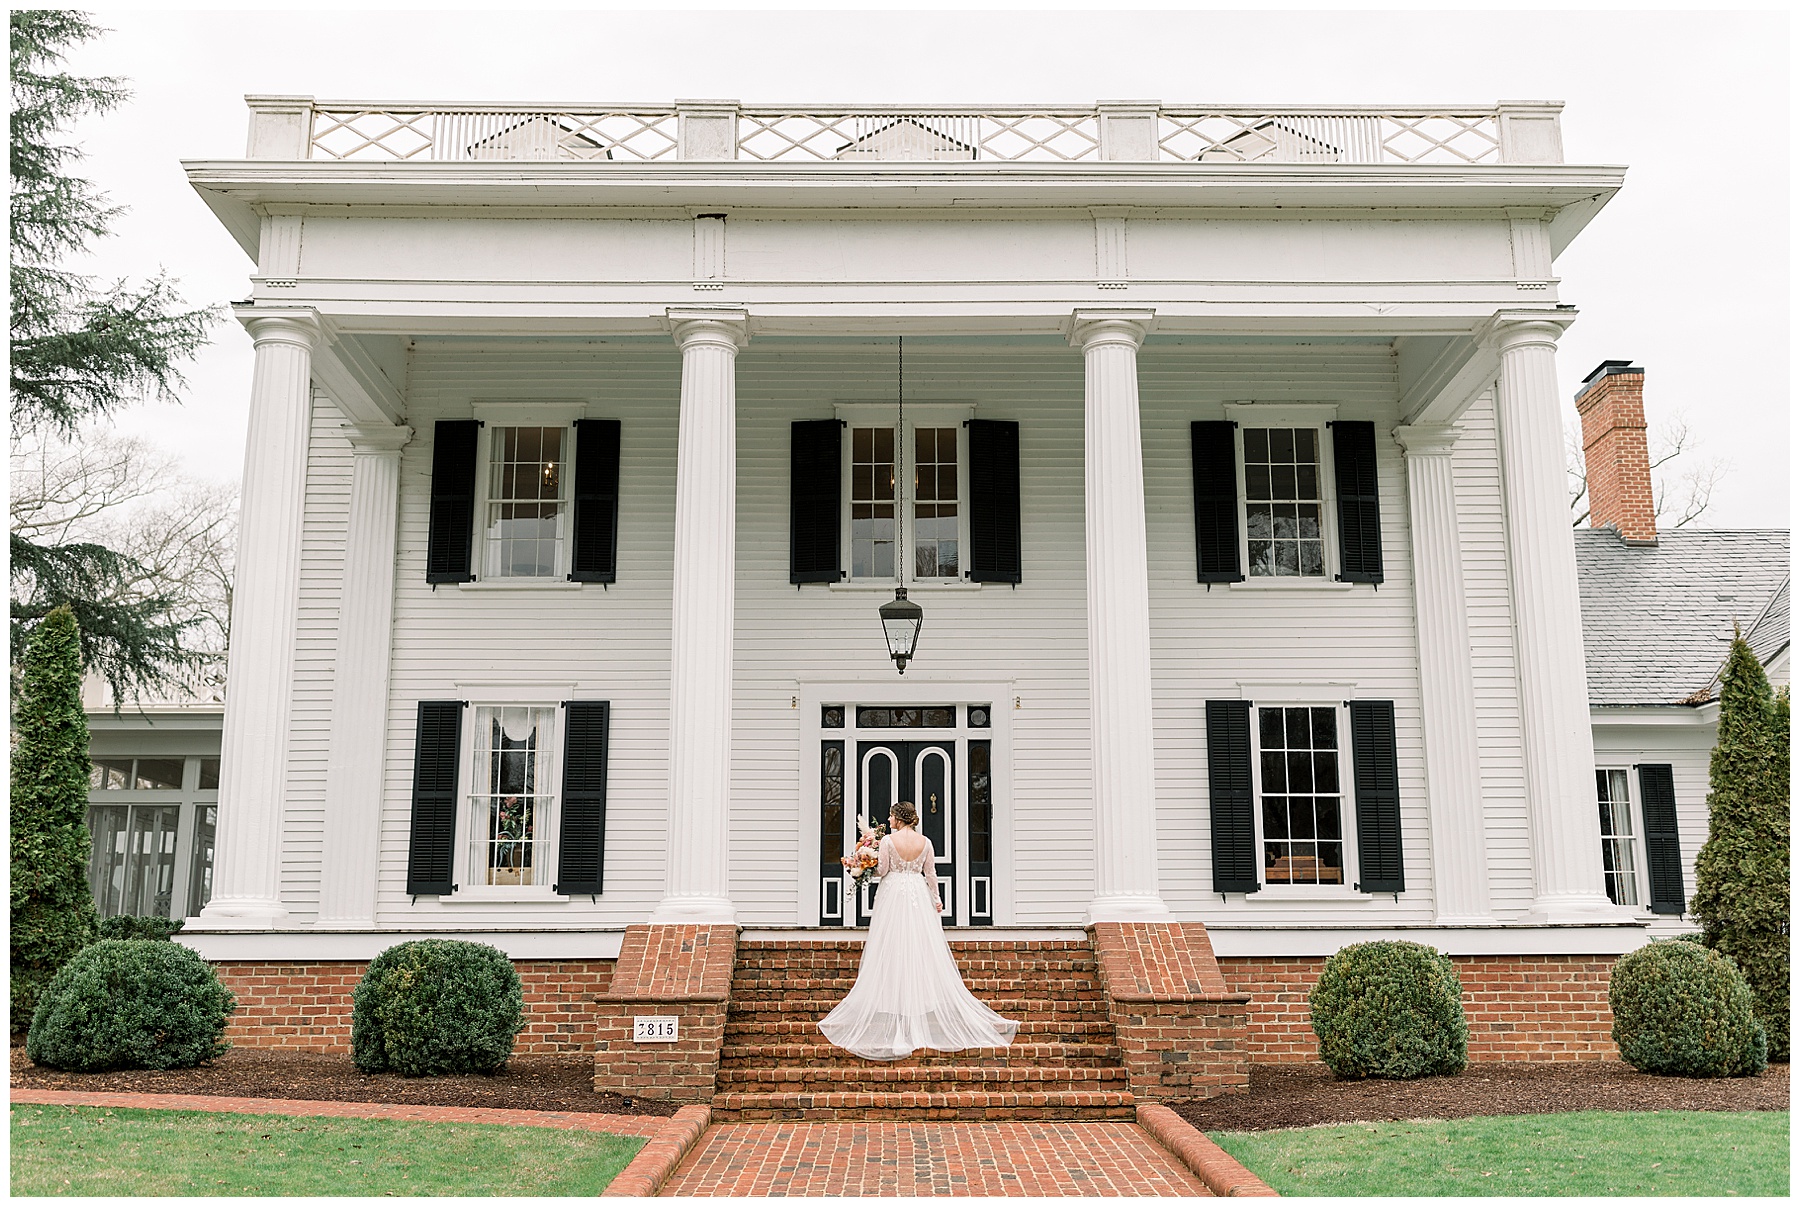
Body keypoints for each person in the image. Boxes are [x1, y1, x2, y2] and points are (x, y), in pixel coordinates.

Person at [818, 800, 1019, 1061]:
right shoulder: (926, 842)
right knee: (918, 947)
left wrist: (863, 864)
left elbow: (883, 870)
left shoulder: (889, 841)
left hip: (893, 894)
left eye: (891, 816)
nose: (889, 820)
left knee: (892, 946)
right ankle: (912, 1007)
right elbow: (931, 874)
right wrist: (936, 899)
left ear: (898, 818)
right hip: (917, 893)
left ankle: (897, 1007)